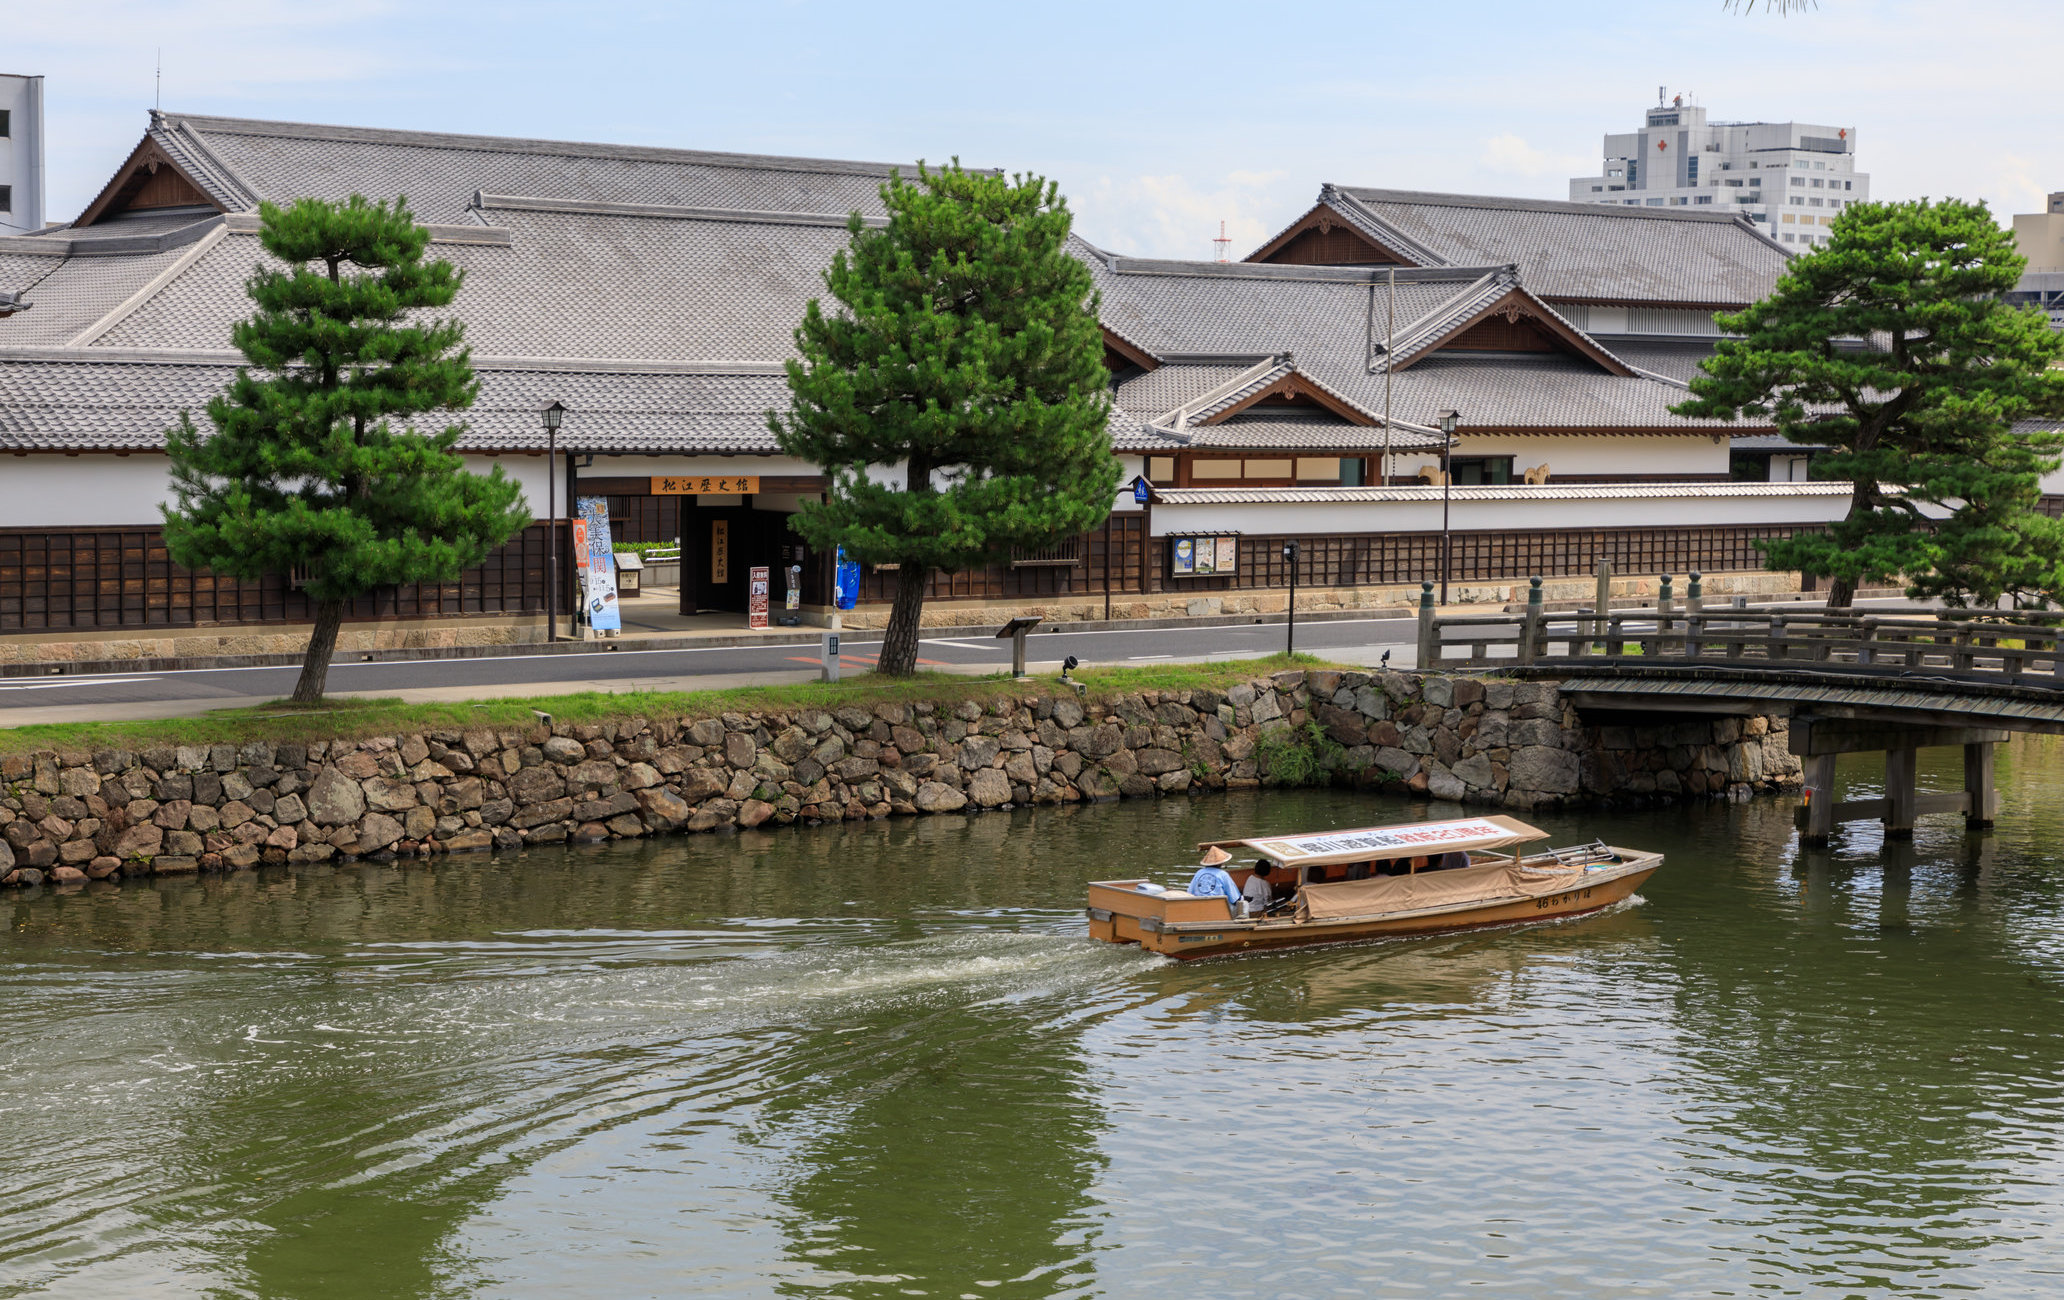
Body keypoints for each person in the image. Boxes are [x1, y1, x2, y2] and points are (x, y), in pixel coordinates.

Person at [1186, 846, 1243, 918]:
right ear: (1220, 863)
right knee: (1243, 903)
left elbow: (1189, 893)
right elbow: (1235, 899)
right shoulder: (1223, 874)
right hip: (1219, 911)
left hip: (1200, 910)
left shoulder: (1198, 873)